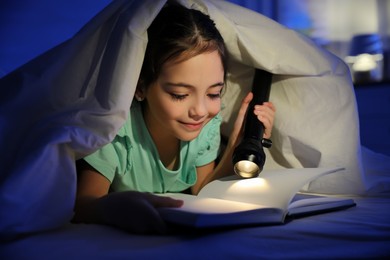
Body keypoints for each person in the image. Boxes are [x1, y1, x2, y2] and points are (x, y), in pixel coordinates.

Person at [73, 3, 275, 234]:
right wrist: (113, 206)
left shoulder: (206, 125)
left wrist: (235, 147)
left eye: (213, 93)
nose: (199, 110)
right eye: (180, 95)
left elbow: (203, 189)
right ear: (140, 87)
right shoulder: (116, 130)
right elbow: (83, 205)